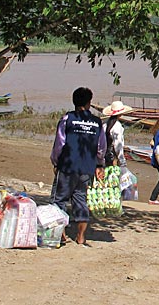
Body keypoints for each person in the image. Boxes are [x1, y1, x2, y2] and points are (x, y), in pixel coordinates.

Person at [50, 87, 105, 246]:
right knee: (81, 200)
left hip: (67, 166)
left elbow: (59, 144)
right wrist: (99, 164)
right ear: (89, 103)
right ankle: (81, 237)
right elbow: (101, 147)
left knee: (59, 200)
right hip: (86, 168)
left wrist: (55, 161)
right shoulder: (97, 122)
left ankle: (61, 234)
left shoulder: (67, 119)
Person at [102, 100, 133, 169]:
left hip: (104, 155)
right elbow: (118, 145)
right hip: (113, 158)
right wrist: (122, 161)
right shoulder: (117, 126)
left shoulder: (105, 123)